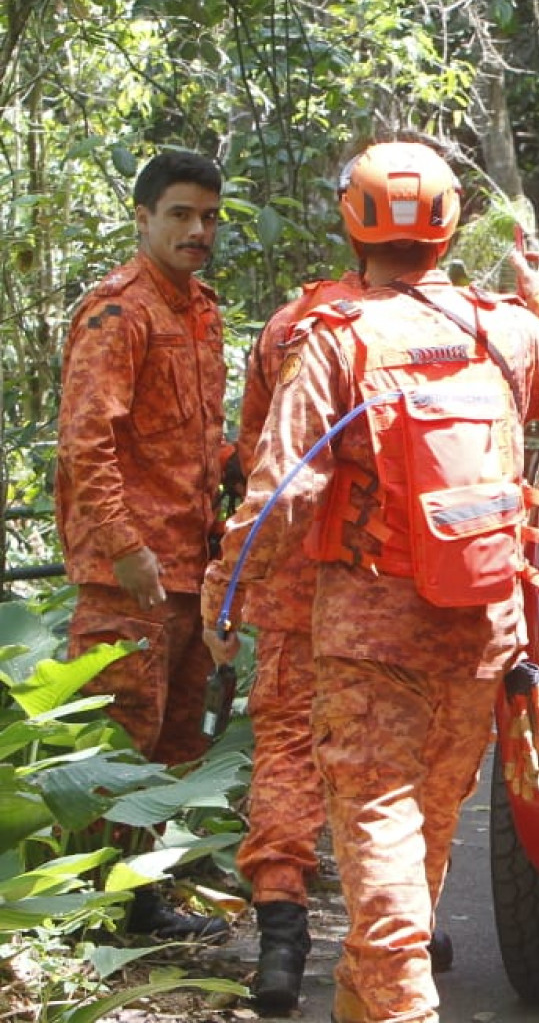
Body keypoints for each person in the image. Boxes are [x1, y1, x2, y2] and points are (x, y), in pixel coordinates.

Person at [201, 138, 539, 1023]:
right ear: (451, 227)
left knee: (384, 861)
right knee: (417, 855)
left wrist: (223, 600)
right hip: (482, 637)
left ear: (353, 227)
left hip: (369, 647)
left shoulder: (334, 339)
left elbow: (280, 490)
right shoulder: (502, 328)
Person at [55, 149, 234, 941]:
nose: (198, 231)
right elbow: (84, 441)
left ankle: (140, 901)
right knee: (117, 735)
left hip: (192, 567)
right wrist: (125, 547)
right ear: (143, 218)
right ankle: (85, 909)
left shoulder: (202, 309)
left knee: (174, 744)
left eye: (209, 217)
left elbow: (202, 442)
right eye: (181, 215)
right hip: (128, 573)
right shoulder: (118, 312)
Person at [223, 269, 363, 1013]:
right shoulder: (430, 324)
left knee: (284, 747)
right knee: (388, 756)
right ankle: (402, 921)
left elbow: (259, 461)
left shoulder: (289, 325)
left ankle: (282, 938)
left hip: (290, 577)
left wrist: (233, 577)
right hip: (387, 589)